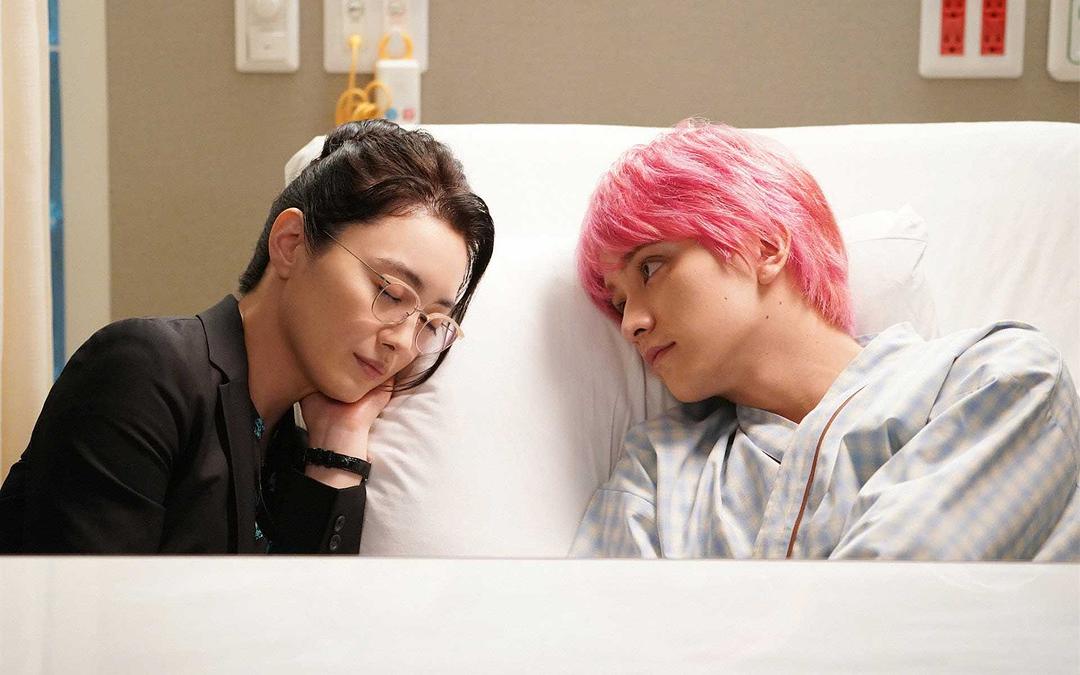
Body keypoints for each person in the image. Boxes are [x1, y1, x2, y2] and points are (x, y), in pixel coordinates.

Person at [570, 119, 1078, 560]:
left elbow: (895, 609)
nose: (630, 323)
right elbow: (595, 630)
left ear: (765, 247)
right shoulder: (655, 471)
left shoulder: (999, 376)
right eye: (618, 302)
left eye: (650, 267)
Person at [0, 119, 494, 554]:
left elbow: (313, 622)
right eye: (390, 292)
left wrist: (339, 447)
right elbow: (91, 622)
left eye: (431, 322)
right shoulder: (145, 370)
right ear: (291, 243)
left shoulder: (289, 447)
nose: (403, 342)